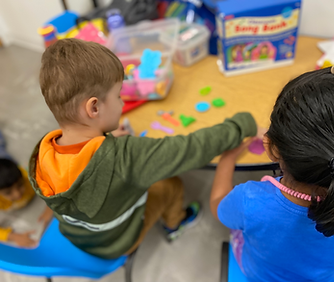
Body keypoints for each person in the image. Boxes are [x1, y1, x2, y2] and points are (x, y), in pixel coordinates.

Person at [29, 38, 263, 259]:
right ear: (94, 108)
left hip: (80, 236)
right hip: (117, 243)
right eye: (118, 96)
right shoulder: (128, 156)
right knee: (171, 184)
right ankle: (175, 225)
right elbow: (192, 148)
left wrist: (101, 140)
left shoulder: (42, 155)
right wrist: (244, 124)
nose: (121, 103)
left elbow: (83, 171)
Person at [210, 64, 334, 281]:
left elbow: (218, 207)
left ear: (270, 147)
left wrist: (228, 158)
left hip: (258, 274)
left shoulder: (249, 200)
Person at [0, 153, 53, 247]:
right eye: (8, 193)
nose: (17, 194)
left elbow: (54, 183)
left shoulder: (28, 176)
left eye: (20, 185)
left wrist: (50, 207)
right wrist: (13, 236)